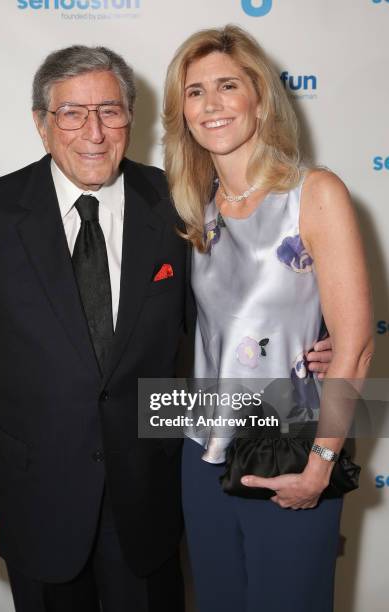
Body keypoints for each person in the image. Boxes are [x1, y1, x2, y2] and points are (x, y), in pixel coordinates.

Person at [0, 45, 188, 612]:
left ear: (131, 116)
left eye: (110, 110)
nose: (94, 132)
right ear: (41, 124)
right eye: (72, 113)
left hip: (149, 501)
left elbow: (216, 335)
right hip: (35, 502)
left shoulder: (178, 204)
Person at [163, 25, 373, 612]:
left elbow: (354, 346)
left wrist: (322, 463)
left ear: (260, 98)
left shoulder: (315, 193)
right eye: (196, 90)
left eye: (227, 85)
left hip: (289, 447)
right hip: (200, 447)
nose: (212, 104)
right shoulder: (192, 207)